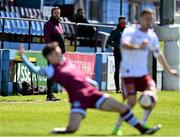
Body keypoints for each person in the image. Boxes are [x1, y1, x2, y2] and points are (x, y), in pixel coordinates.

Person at [18, 42, 161, 135]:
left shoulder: (67, 63)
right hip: (78, 99)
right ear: (49, 57)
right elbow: (35, 69)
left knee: (122, 108)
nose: (59, 53)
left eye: (59, 51)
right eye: (56, 52)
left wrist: (91, 82)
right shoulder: (51, 70)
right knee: (72, 129)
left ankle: (143, 130)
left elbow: (79, 77)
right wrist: (23, 57)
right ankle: (58, 131)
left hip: (93, 94)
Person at [112, 9, 180, 135]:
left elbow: (158, 54)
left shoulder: (151, 35)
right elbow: (124, 45)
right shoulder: (130, 31)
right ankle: (117, 127)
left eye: (151, 19)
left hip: (142, 73)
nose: (150, 22)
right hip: (128, 73)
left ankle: (143, 123)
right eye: (147, 19)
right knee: (131, 103)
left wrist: (169, 69)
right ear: (140, 19)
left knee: (152, 97)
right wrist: (139, 46)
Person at [44, 7, 65, 101]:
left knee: (55, 73)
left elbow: (61, 39)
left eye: (58, 13)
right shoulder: (48, 24)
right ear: (52, 13)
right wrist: (54, 49)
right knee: (51, 73)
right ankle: (49, 95)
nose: (57, 14)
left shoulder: (59, 24)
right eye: (55, 13)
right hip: (52, 53)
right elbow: (47, 38)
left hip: (59, 53)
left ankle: (51, 94)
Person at [107, 16, 126, 93]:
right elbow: (109, 42)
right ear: (119, 22)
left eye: (124, 22)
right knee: (117, 70)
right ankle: (118, 88)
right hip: (118, 52)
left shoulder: (127, 30)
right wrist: (118, 46)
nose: (123, 23)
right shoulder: (115, 30)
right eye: (122, 22)